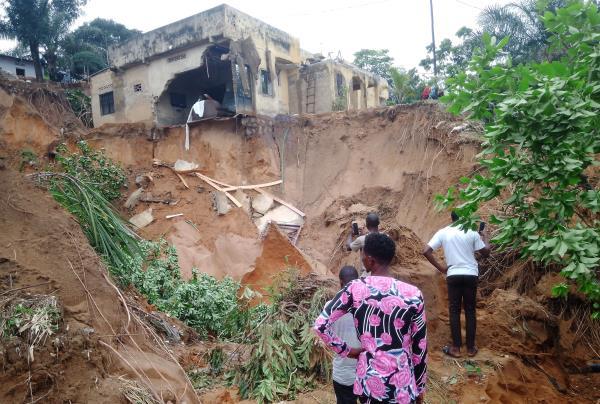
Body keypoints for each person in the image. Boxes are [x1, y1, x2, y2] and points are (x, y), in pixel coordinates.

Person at [315, 233, 427, 404]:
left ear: (370, 260)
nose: (362, 259)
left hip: (369, 384)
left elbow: (321, 324)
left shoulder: (355, 289)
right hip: (402, 385)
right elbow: (420, 347)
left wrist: (347, 351)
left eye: (362, 255)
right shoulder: (413, 294)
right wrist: (419, 387)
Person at [422, 211, 490, 358]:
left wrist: (442, 268)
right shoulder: (471, 231)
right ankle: (471, 348)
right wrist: (485, 236)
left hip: (453, 274)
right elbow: (486, 253)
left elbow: (426, 251)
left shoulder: (443, 232)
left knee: (454, 310)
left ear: (451, 218)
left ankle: (456, 348)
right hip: (471, 274)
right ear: (465, 218)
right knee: (470, 310)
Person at [331, 266, 361, 404]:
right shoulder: (368, 306)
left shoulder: (330, 308)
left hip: (342, 372)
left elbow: (321, 332)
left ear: (340, 283)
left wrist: (346, 350)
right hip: (366, 370)